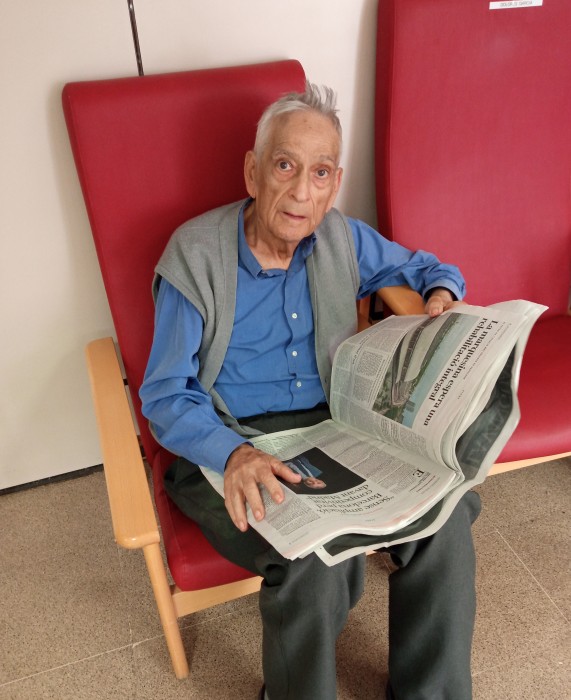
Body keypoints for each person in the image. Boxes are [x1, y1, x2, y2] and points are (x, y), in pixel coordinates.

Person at [140, 83, 481, 700]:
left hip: (333, 432)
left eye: (320, 172)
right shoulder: (195, 254)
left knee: (447, 512)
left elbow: (431, 267)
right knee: (312, 562)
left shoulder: (341, 238)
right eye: (285, 166)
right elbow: (165, 395)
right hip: (226, 444)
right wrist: (234, 454)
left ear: (335, 183)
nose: (302, 191)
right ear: (253, 171)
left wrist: (442, 294)